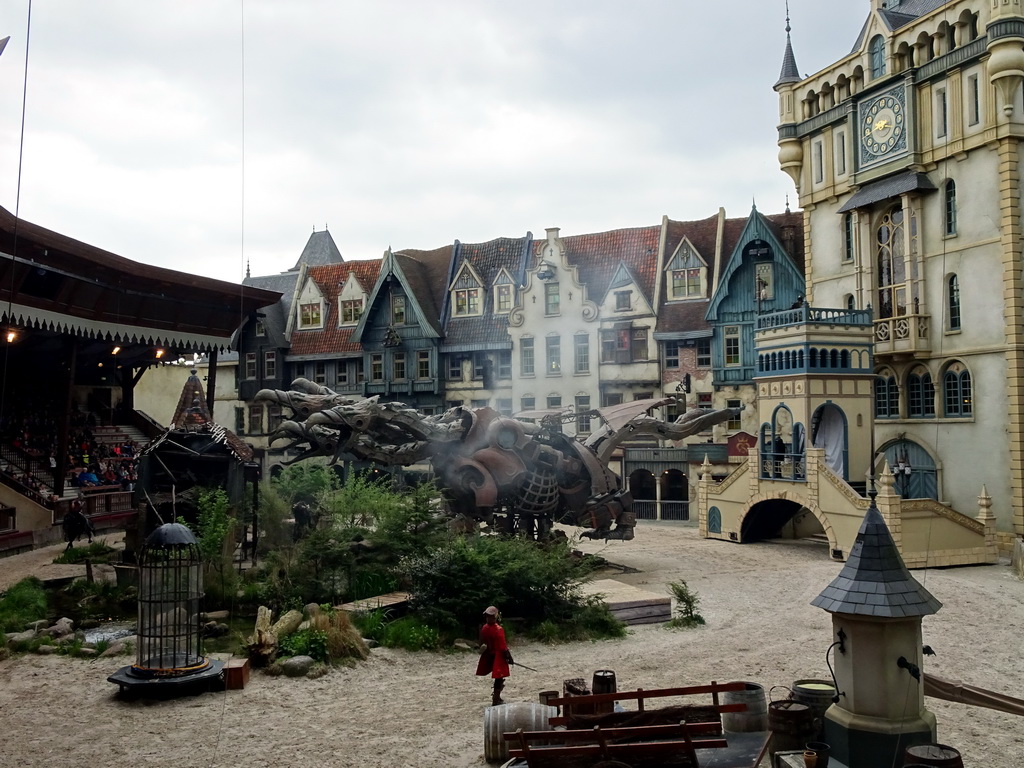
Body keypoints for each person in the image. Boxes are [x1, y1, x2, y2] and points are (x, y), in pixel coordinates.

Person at [476, 605, 512, 705]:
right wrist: (509, 657)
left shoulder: (484, 628)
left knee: (498, 677)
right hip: (498, 655)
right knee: (499, 677)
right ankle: (496, 700)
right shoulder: (498, 629)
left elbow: (482, 642)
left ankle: (497, 698)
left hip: (490, 654)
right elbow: (503, 646)